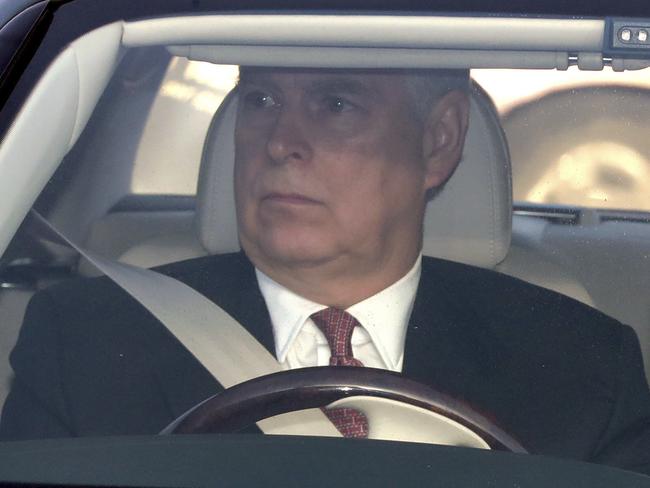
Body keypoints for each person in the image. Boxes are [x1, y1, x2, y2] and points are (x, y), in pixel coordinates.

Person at [1, 67, 650, 474]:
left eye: (336, 104)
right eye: (259, 98)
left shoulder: (581, 366)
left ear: (440, 140)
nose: (280, 141)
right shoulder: (84, 342)